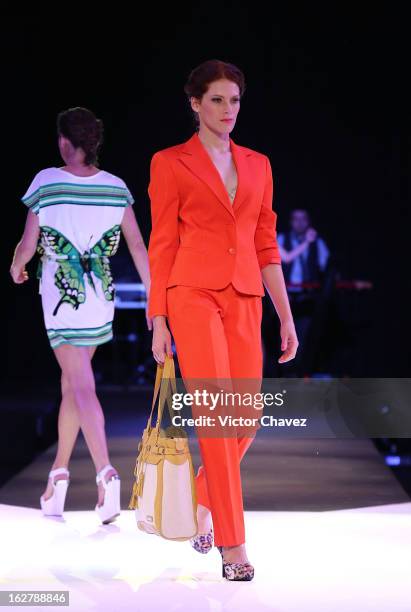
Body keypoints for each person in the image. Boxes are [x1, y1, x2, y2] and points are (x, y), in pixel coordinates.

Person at [147, 60, 298, 581]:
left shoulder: (258, 163)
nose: (227, 109)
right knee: (216, 415)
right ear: (195, 103)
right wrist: (158, 317)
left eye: (234, 100)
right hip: (190, 293)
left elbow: (265, 242)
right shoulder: (170, 162)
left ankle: (201, 500)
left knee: (247, 416)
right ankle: (232, 548)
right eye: (216, 100)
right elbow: (162, 242)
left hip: (246, 296)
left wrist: (285, 313)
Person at [10, 107, 151, 523]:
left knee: (81, 385)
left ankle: (107, 475)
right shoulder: (116, 187)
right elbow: (139, 247)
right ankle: (58, 478)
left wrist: (16, 268)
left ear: (64, 142)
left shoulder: (46, 182)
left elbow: (28, 244)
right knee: (72, 382)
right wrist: (154, 299)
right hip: (98, 292)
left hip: (61, 295)